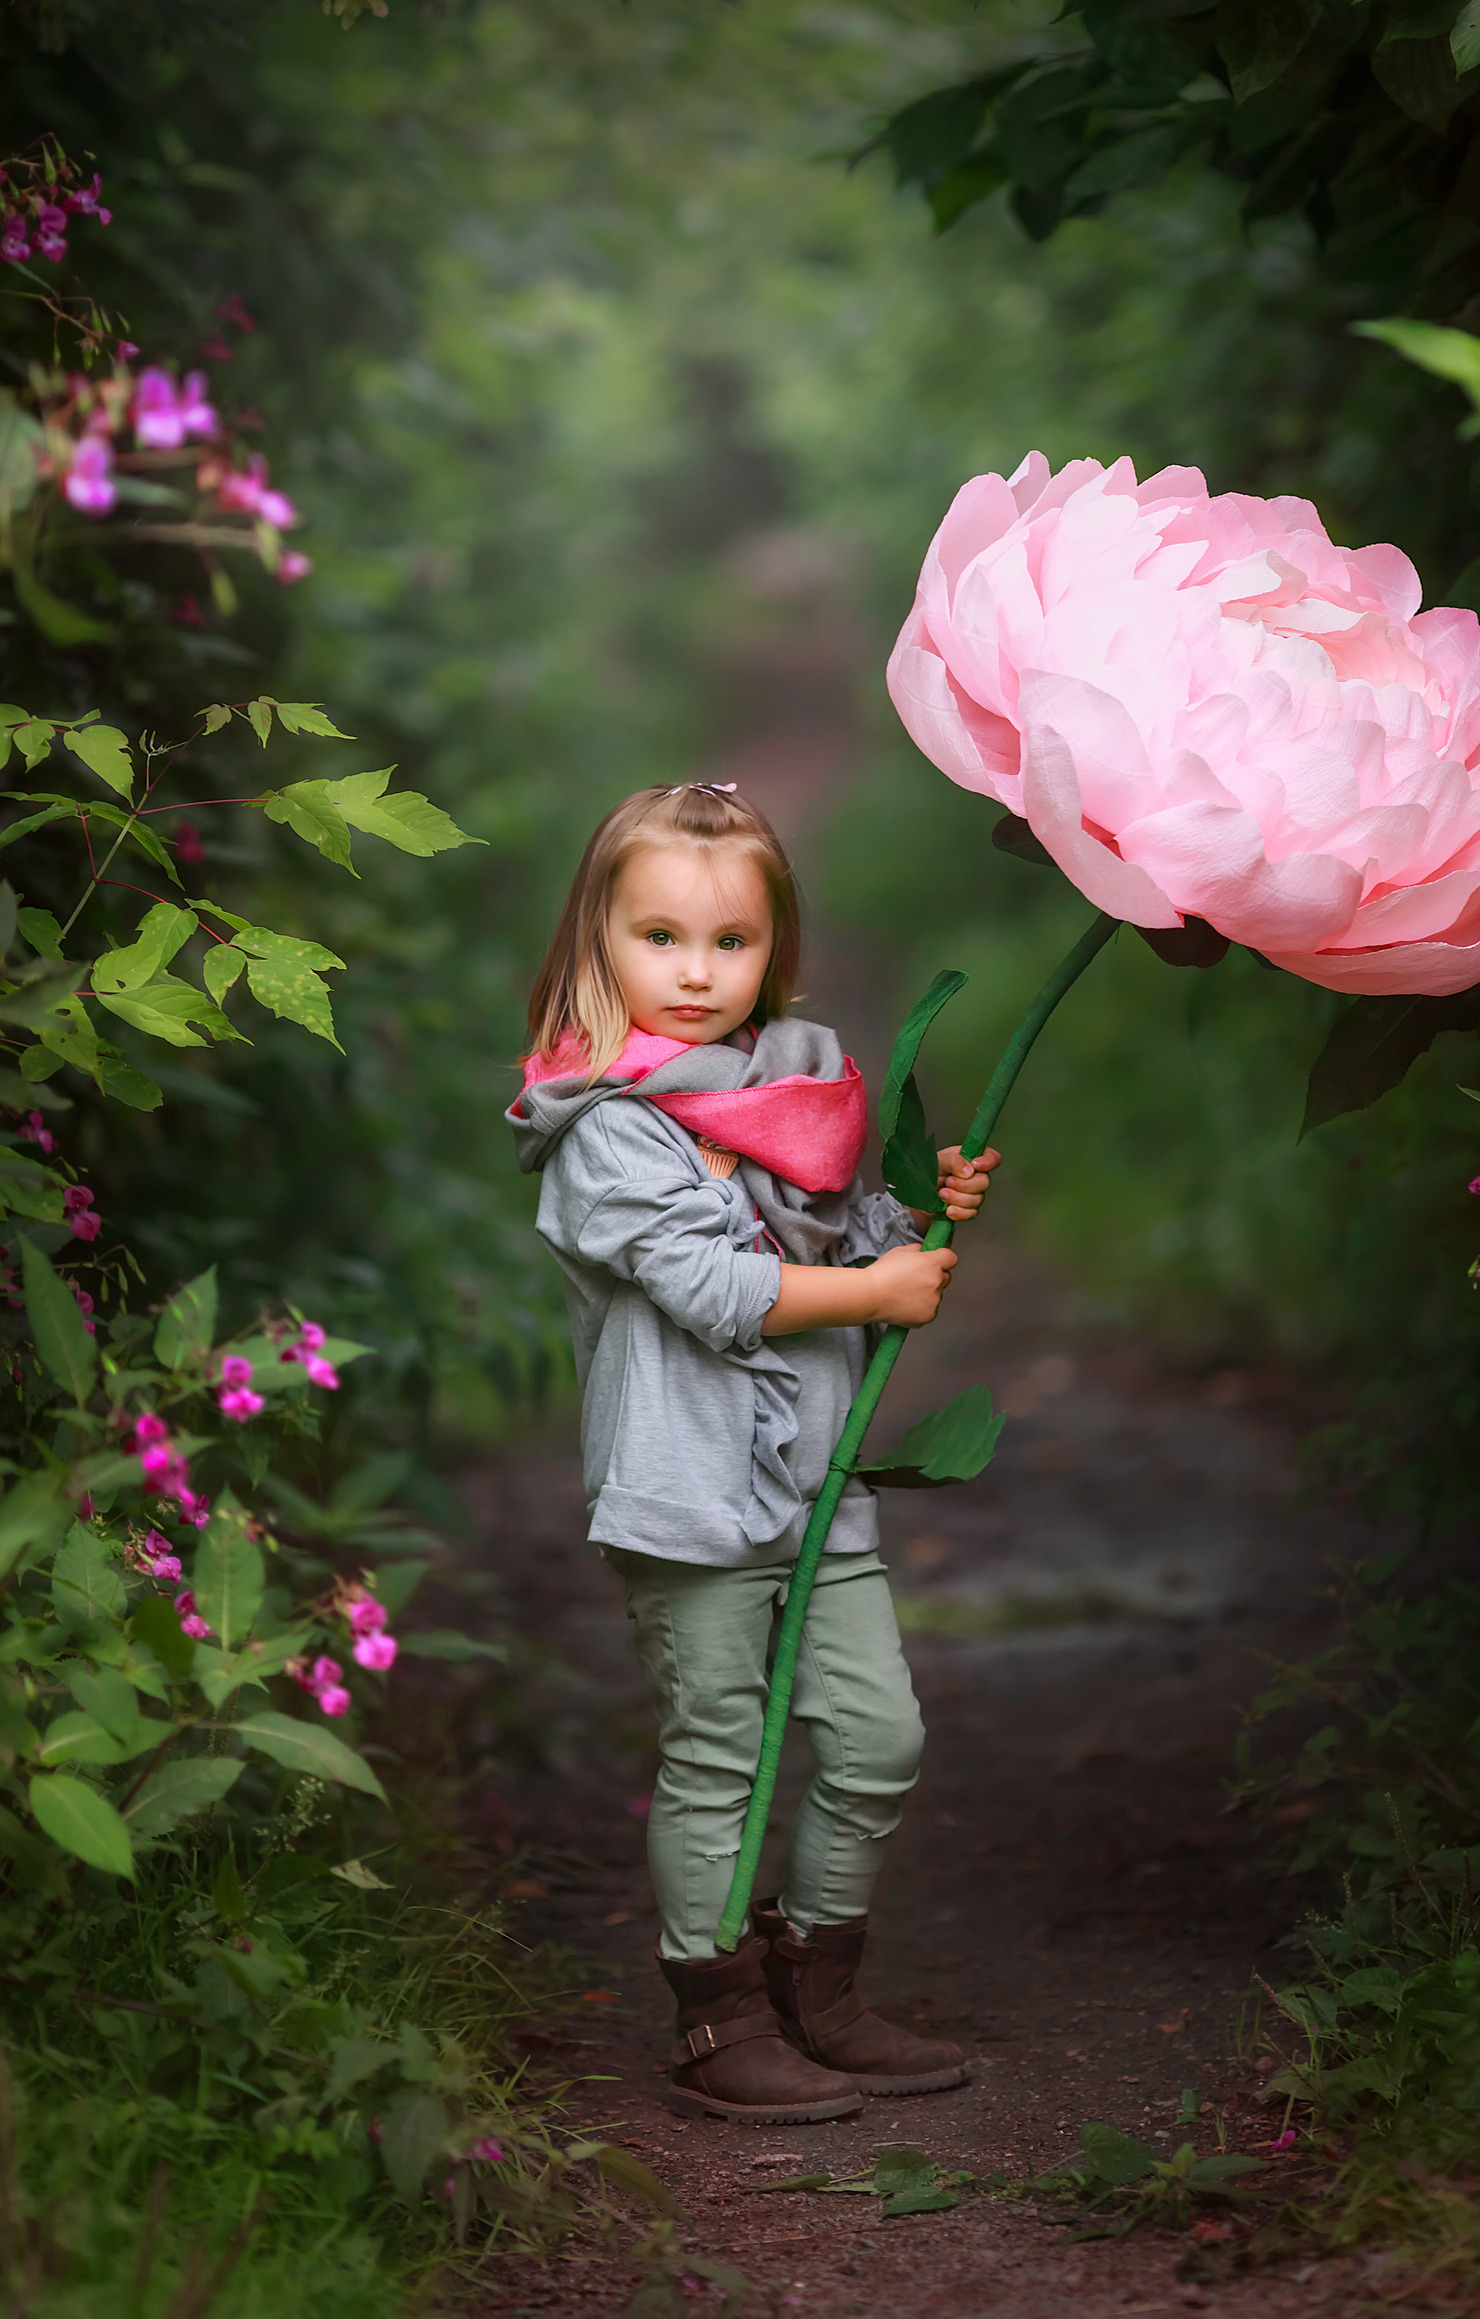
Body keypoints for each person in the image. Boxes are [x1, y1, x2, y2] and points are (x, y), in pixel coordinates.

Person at [507, 782, 1000, 2125]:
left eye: (729, 943)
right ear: (598, 939)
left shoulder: (795, 1088)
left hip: (814, 1488)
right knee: (719, 1750)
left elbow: (840, 1232)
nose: (693, 971)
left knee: (877, 1735)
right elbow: (723, 1292)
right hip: (686, 1498)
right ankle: (713, 2013)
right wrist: (880, 1294)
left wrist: (911, 1215)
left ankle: (819, 1984)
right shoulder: (603, 1124)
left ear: (772, 949)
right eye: (658, 936)